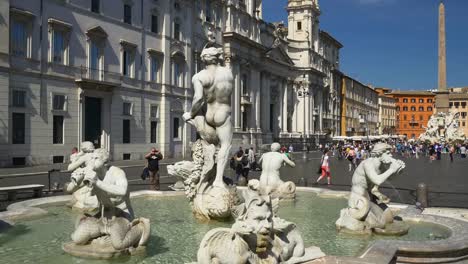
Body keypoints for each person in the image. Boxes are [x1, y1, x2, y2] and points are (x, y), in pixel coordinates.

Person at [182, 46, 233, 188]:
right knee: (225, 145)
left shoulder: (199, 76)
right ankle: (217, 180)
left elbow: (198, 98)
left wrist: (190, 114)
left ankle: (207, 174)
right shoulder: (228, 73)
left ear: (203, 59)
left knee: (209, 142)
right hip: (223, 112)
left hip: (209, 114)